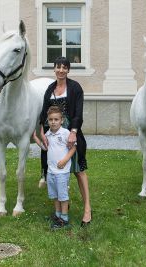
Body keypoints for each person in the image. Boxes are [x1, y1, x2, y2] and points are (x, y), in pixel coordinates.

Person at [39, 56, 92, 227]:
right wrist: (41, 129)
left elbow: (78, 113)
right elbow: (44, 111)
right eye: (58, 67)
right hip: (53, 135)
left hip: (70, 134)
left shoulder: (75, 88)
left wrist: (74, 132)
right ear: (54, 69)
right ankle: (61, 209)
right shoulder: (50, 89)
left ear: (68, 70)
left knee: (78, 171)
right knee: (55, 171)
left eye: (64, 67)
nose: (61, 70)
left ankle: (87, 209)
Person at [44, 105, 76, 229]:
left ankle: (64, 218)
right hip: (51, 171)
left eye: (56, 119)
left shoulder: (65, 133)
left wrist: (65, 160)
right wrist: (36, 137)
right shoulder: (48, 133)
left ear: (61, 120)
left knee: (62, 196)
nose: (53, 122)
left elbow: (73, 148)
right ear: (48, 120)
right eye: (51, 119)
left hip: (62, 172)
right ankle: (57, 215)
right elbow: (45, 147)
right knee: (55, 195)